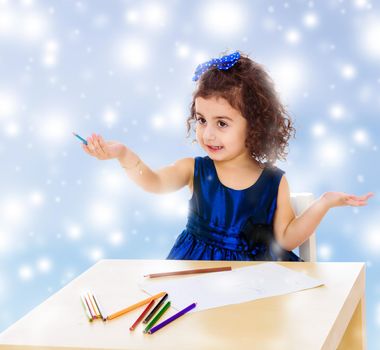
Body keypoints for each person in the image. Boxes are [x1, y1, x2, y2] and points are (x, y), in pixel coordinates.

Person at [81, 51, 373, 261]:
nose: (208, 134)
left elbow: (286, 238)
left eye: (222, 123)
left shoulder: (274, 182)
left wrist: (324, 203)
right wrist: (123, 155)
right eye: (201, 120)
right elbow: (155, 182)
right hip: (194, 275)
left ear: (254, 125)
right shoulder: (193, 170)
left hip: (255, 283)